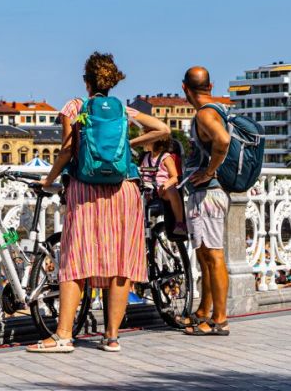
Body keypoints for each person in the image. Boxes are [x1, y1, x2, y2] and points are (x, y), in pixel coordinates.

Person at [27, 52, 170, 353]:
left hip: (86, 190)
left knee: (76, 261)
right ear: (111, 81)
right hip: (125, 189)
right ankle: (112, 337)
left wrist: (49, 178)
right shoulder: (121, 110)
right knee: (120, 263)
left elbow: (67, 151)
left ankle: (63, 335)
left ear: (86, 80)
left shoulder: (75, 108)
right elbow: (163, 130)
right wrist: (129, 145)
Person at [179, 66, 231, 336]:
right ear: (210, 86)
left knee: (213, 255)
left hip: (209, 193)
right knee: (205, 254)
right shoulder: (217, 108)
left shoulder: (205, 114)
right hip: (209, 193)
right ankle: (204, 310)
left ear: (184, 88)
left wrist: (209, 171)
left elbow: (222, 140)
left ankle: (219, 319)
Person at [140, 135, 187, 235]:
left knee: (172, 190)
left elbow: (175, 177)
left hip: (162, 190)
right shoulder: (145, 157)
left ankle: (180, 224)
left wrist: (166, 185)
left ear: (155, 143)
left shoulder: (166, 158)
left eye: (146, 140)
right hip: (146, 189)